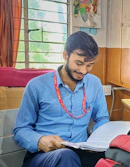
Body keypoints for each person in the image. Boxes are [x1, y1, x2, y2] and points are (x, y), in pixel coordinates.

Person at [13, 31, 110, 167]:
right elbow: (20, 130)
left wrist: (96, 139)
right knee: (65, 157)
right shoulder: (37, 86)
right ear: (65, 55)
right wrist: (39, 140)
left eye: (89, 65)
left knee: (116, 156)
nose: (83, 71)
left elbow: (102, 119)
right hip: (44, 155)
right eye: (79, 63)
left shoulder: (94, 84)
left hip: (81, 151)